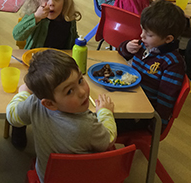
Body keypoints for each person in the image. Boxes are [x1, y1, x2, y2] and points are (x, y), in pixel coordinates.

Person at [6, 49, 116, 182]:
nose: (82, 92)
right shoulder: (87, 126)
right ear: (50, 104)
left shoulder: (34, 103)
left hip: (46, 177)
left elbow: (12, 116)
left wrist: (23, 93)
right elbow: (109, 139)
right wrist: (105, 111)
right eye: (70, 91)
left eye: (80, 80)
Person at [117, 1, 186, 130]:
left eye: (149, 35)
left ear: (168, 39)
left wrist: (156, 125)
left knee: (100, 122)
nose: (142, 36)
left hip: (142, 115)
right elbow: (121, 54)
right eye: (142, 30)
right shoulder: (145, 45)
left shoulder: (172, 63)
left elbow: (166, 99)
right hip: (129, 98)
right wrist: (126, 47)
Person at [12, 0, 81, 50]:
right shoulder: (35, 16)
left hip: (61, 58)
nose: (51, 3)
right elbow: (17, 35)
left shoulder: (69, 17)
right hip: (37, 57)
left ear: (65, 0)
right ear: (37, 0)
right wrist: (36, 17)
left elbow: (72, 40)